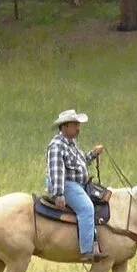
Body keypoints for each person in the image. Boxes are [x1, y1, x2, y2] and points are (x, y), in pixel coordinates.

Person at [45, 109, 106, 262]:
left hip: (77, 184)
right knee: (86, 208)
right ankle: (87, 250)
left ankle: (96, 240)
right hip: (66, 185)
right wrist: (59, 194)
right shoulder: (57, 145)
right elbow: (56, 170)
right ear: (65, 127)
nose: (79, 128)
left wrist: (92, 154)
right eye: (75, 124)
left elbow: (79, 163)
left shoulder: (71, 144)